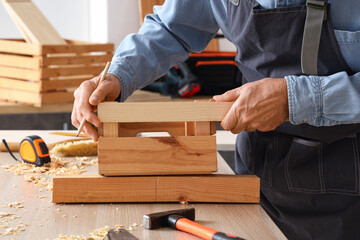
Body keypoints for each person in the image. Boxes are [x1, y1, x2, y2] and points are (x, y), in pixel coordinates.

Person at [71, 0, 360, 239]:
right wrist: (117, 76)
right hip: (255, 175)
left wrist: (293, 99)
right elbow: (171, 28)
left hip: (345, 183)